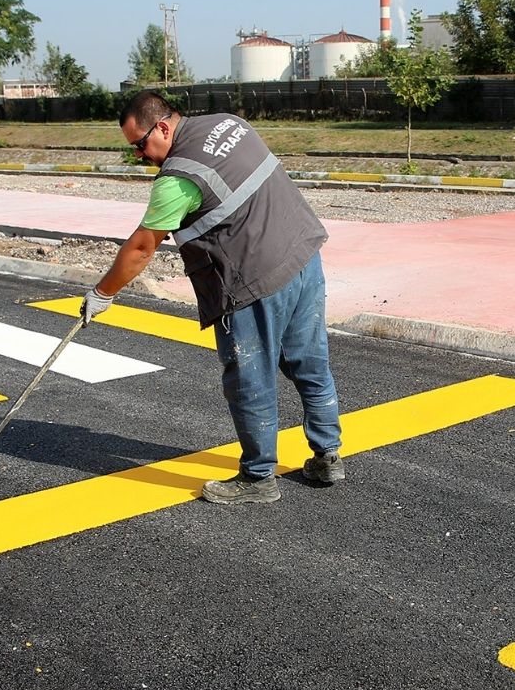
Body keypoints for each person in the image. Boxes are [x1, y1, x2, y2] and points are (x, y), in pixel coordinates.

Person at [80, 90, 344, 505]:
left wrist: (103, 292)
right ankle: (328, 455)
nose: (139, 156)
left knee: (250, 381)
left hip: (254, 280)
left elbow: (142, 248)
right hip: (303, 256)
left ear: (162, 127)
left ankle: (258, 478)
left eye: (139, 145)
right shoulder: (229, 122)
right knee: (310, 363)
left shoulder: (178, 178)